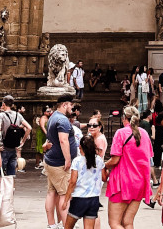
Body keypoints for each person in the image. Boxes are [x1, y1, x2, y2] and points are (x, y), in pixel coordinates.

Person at [104, 105, 153, 229]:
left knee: (115, 223)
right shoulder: (145, 134)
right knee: (128, 222)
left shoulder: (121, 133)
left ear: (124, 118)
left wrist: (103, 165)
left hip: (123, 182)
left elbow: (115, 159)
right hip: (139, 182)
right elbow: (148, 157)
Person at [44, 94, 77, 229]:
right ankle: (66, 225)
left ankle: (52, 224)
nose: (72, 108)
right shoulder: (62, 120)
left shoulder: (53, 117)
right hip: (59, 163)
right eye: (70, 105)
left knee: (52, 192)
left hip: (51, 160)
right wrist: (68, 159)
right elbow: (63, 140)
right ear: (64, 105)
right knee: (65, 194)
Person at [61, 134, 103, 229]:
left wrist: (66, 200)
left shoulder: (77, 161)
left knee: (68, 227)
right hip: (94, 198)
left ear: (80, 147)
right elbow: (104, 177)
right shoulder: (99, 160)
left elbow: (73, 182)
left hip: (79, 198)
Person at [0, 95, 31, 179]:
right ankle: (10, 190)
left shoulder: (1, 115)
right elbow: (29, 127)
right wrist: (22, 141)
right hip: (14, 147)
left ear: (3, 104)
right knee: (11, 174)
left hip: (4, 146)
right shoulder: (18, 115)